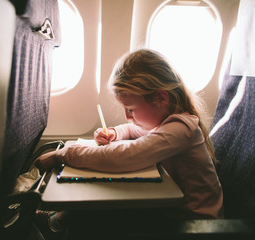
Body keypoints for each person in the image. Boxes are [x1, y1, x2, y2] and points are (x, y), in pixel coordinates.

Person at [34, 49, 223, 236]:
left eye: (131, 109)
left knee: (102, 210)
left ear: (160, 98)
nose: (127, 116)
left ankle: (55, 225)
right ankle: (57, 222)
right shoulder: (166, 123)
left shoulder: (181, 129)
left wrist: (65, 155)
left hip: (192, 225)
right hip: (171, 211)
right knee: (103, 205)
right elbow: (134, 129)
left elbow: (128, 156)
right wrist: (114, 133)